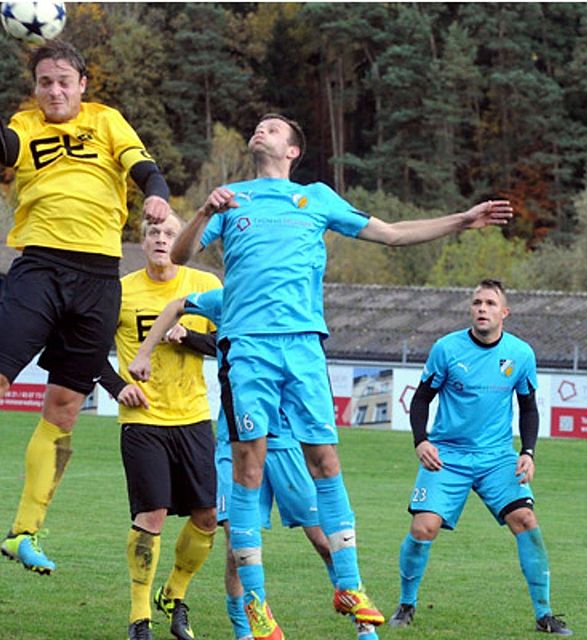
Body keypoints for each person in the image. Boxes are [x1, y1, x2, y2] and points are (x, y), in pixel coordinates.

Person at [170, 113, 514, 640]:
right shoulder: (231, 197)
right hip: (247, 348)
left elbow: (394, 234)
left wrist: (462, 220)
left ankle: (350, 585)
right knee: (248, 468)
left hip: (305, 346)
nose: (261, 130)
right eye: (258, 126)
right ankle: (256, 604)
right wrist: (201, 212)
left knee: (326, 460)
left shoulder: (317, 198)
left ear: (293, 151)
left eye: (273, 127)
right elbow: (180, 255)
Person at [0, 30, 171, 574]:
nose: (54, 92)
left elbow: (142, 166)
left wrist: (158, 194)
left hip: (99, 279)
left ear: (82, 85)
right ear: (36, 89)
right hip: (39, 268)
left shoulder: (106, 119)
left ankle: (25, 531)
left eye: (63, 82)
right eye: (44, 83)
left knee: (65, 409)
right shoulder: (26, 126)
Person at [129, 287, 355, 640]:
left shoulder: (298, 299)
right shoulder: (228, 297)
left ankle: (359, 615)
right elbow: (189, 317)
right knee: (237, 544)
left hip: (288, 445)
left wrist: (190, 336)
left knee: (325, 541)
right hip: (236, 443)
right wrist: (148, 350)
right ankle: (245, 631)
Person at [389, 279, 572, 635]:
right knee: (423, 527)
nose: (482, 309)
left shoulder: (521, 354)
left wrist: (528, 452)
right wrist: (421, 441)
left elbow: (528, 408)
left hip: (496, 458)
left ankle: (544, 614)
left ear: (504, 312)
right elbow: (422, 399)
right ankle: (406, 604)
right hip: (449, 456)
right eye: (477, 303)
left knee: (526, 520)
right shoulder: (447, 349)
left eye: (490, 303)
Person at [95, 214, 220, 640]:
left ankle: (175, 593)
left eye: (170, 233)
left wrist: (189, 338)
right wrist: (117, 388)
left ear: (183, 240)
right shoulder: (122, 291)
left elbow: (230, 344)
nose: (162, 239)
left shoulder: (205, 286)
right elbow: (87, 349)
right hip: (143, 419)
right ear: (143, 241)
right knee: (152, 515)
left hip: (194, 416)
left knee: (207, 516)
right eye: (154, 233)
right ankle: (139, 617)